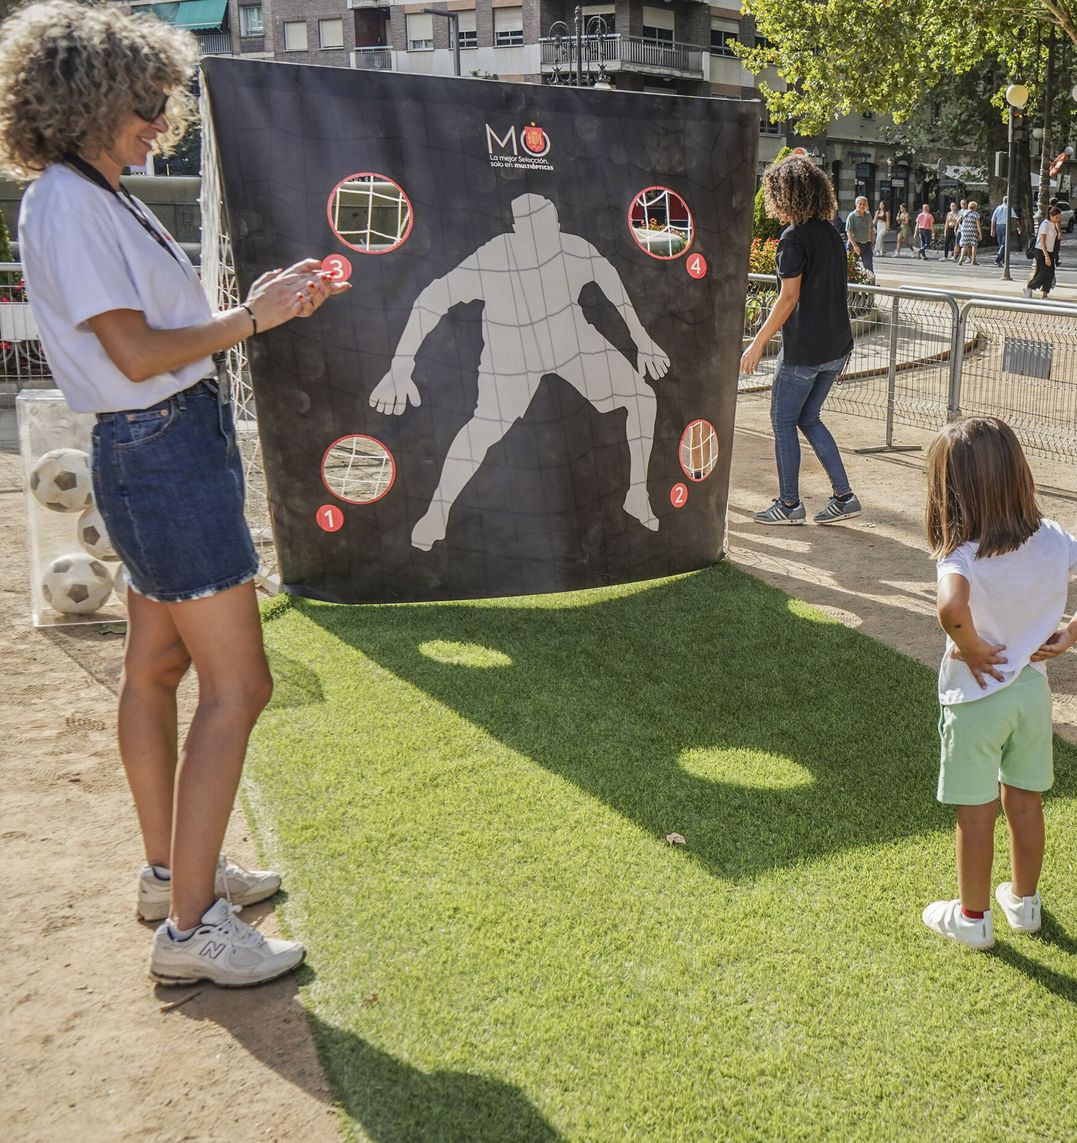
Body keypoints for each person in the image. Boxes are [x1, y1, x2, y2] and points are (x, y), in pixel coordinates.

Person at [2, 0, 349, 986]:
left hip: (166, 443)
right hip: (160, 449)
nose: (163, 121)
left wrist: (264, 305)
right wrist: (256, 316)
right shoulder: (70, 203)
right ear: (86, 101)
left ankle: (172, 877)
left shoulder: (96, 193)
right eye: (147, 104)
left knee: (155, 667)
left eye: (166, 102)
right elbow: (137, 352)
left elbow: (159, 338)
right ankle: (192, 931)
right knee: (242, 686)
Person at [921, 416, 1077, 949]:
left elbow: (951, 608)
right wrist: (1070, 634)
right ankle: (1024, 904)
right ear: (1017, 474)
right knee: (1026, 804)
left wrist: (970, 647)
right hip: (1032, 692)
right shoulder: (1050, 536)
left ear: (951, 490)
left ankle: (973, 919)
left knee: (976, 814)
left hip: (975, 696)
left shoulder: (961, 553)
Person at [368, 191, 672, 544]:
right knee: (484, 429)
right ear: (517, 230)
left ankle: (637, 495)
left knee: (642, 398)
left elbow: (610, 281)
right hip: (513, 351)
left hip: (569, 340)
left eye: (549, 227)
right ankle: (438, 512)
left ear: (556, 224)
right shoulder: (494, 255)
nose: (544, 240)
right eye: (534, 231)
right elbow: (431, 300)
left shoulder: (574, 248)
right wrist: (401, 365)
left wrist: (642, 339)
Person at [738, 154, 863, 527]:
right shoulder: (830, 233)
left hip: (805, 351)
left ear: (783, 195)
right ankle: (844, 497)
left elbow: (788, 298)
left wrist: (757, 343)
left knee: (783, 422)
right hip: (836, 346)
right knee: (809, 418)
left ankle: (789, 504)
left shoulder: (793, 238)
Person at [1024, 205, 1060, 299]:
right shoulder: (1045, 224)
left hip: (1050, 251)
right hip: (1041, 251)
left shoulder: (1053, 224)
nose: (1058, 219)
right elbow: (1042, 241)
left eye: (1059, 217)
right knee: (1043, 272)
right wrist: (1046, 256)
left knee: (1050, 273)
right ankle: (1030, 287)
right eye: (1056, 217)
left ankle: (1045, 293)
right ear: (1051, 216)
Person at [845, 195, 875, 280]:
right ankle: (849, 285)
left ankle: (871, 285)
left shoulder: (868, 216)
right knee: (850, 268)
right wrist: (855, 246)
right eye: (860, 204)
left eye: (864, 204)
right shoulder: (852, 216)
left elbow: (871, 230)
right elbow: (849, 233)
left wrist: (872, 242)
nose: (862, 206)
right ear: (856, 204)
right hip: (854, 245)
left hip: (866, 245)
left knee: (869, 268)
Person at [957, 200, 982, 265]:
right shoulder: (976, 214)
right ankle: (973, 261)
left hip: (964, 231)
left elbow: (958, 221)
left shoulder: (964, 212)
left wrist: (962, 226)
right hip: (973, 231)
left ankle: (960, 260)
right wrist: (980, 234)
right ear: (975, 207)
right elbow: (978, 225)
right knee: (974, 245)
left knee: (965, 245)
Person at [991, 200, 1011, 266]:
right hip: (1005, 226)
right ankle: (998, 259)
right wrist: (1018, 227)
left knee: (1001, 244)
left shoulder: (998, 208)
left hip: (998, 226)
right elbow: (1015, 217)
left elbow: (993, 219)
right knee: (1004, 244)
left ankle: (1003, 260)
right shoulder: (1009, 208)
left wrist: (992, 229)